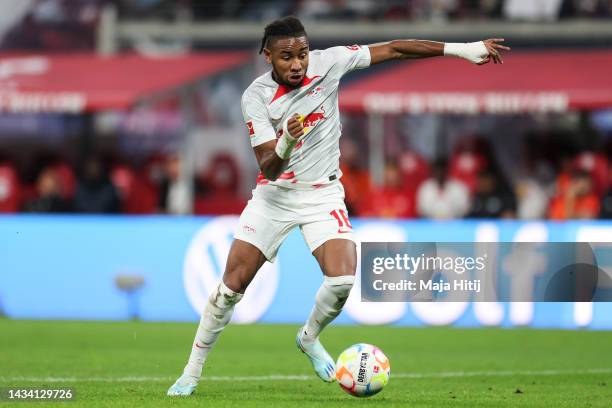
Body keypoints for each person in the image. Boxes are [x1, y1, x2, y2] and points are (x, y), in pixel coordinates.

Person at [168, 15, 509, 396]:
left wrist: (463, 50)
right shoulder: (256, 97)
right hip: (274, 197)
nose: (297, 64)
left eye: (302, 53)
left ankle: (309, 337)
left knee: (343, 279)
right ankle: (191, 373)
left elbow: (395, 48)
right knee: (230, 288)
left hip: (323, 194)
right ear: (268, 57)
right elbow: (268, 165)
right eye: (286, 57)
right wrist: (287, 142)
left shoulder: (330, 62)